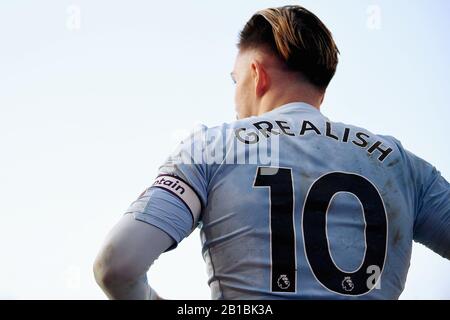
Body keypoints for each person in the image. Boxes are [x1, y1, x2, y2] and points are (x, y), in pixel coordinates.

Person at [93, 5, 450, 299]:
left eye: (236, 81)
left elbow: (117, 267)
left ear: (256, 75)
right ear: (320, 89)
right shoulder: (399, 163)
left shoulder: (212, 146)